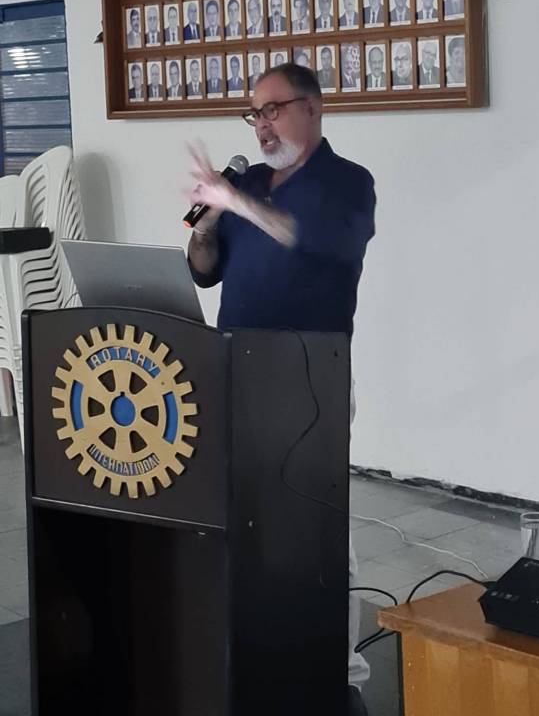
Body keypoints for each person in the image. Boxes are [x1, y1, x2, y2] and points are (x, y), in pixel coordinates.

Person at [185, 63, 375, 716]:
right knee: (242, 524)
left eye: (274, 109)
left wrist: (236, 201)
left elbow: (305, 239)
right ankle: (256, 650)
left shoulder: (347, 182)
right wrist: (207, 222)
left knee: (317, 529)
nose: (262, 125)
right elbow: (204, 271)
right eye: (254, 114)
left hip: (311, 376)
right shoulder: (248, 184)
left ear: (313, 108)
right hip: (235, 371)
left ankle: (342, 672)